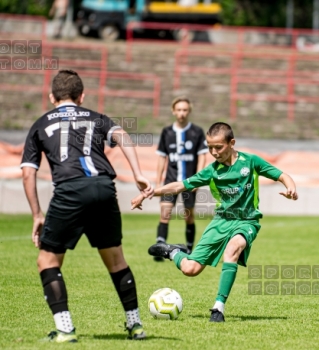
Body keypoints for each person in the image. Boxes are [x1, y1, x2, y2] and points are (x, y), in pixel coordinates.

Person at [20, 70, 153, 342]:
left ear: (51, 97)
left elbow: (27, 172)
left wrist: (36, 214)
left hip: (69, 190)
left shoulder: (40, 124)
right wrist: (138, 173)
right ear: (82, 97)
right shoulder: (97, 117)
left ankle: (65, 329)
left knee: (47, 260)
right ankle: (136, 325)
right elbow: (123, 136)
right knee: (116, 259)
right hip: (104, 187)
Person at [131, 122, 298, 322]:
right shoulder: (212, 171)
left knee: (233, 249)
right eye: (210, 147)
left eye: (218, 147)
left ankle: (218, 308)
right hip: (220, 222)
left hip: (247, 221)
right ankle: (172, 251)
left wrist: (291, 188)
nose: (214, 152)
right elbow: (179, 186)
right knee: (189, 269)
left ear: (232, 143)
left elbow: (282, 175)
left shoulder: (250, 162)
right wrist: (148, 193)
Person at [154, 97, 208, 261]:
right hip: (170, 181)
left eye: (185, 110)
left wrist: (198, 179)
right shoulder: (167, 132)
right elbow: (162, 158)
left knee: (188, 216)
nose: (182, 113)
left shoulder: (196, 132)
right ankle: (160, 249)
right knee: (165, 213)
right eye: (179, 110)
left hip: (189, 184)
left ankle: (190, 248)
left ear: (189, 111)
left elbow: (202, 156)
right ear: (173, 111)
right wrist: (158, 182)